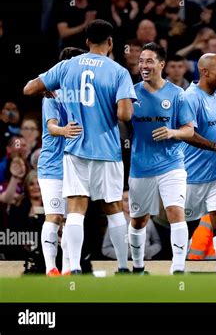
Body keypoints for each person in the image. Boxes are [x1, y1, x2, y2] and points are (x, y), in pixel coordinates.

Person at [23, 19, 136, 274]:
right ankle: (122, 267)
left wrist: (51, 91)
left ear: (86, 42)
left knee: (75, 209)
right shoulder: (118, 71)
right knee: (114, 208)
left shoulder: (66, 66)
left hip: (74, 151)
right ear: (110, 42)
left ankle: (72, 269)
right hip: (107, 151)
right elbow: (125, 115)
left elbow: (29, 88)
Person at [128, 42, 194, 275]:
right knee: (138, 220)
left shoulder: (177, 94)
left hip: (171, 163)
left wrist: (172, 132)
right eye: (141, 61)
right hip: (141, 165)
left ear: (161, 64)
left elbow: (189, 130)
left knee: (175, 211)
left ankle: (177, 268)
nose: (144, 65)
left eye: (149, 61)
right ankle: (137, 266)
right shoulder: (131, 93)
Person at [181, 53, 216, 275]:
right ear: (204, 72)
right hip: (191, 174)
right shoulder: (190, 98)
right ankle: (177, 265)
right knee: (187, 223)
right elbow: (187, 133)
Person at [37, 47, 85, 276]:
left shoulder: (83, 95)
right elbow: (51, 127)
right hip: (52, 165)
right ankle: (50, 268)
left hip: (76, 164)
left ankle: (68, 269)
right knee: (54, 216)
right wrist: (63, 130)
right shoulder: (51, 95)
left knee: (71, 219)